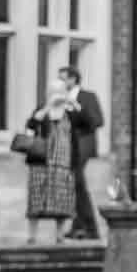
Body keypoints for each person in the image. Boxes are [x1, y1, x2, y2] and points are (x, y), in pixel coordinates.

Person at [20, 81, 76, 245]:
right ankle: (32, 235)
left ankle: (60, 235)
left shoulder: (70, 111)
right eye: (54, 91)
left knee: (62, 199)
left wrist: (71, 103)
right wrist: (47, 108)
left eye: (60, 91)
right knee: (37, 198)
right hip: (41, 161)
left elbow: (89, 121)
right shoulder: (42, 110)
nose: (57, 94)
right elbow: (30, 125)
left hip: (64, 163)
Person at [60, 66, 104, 240]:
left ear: (73, 79)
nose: (60, 83)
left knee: (79, 186)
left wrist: (78, 108)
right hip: (67, 148)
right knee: (74, 187)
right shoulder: (60, 99)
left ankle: (91, 228)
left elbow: (98, 121)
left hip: (82, 147)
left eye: (62, 79)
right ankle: (78, 227)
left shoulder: (87, 97)